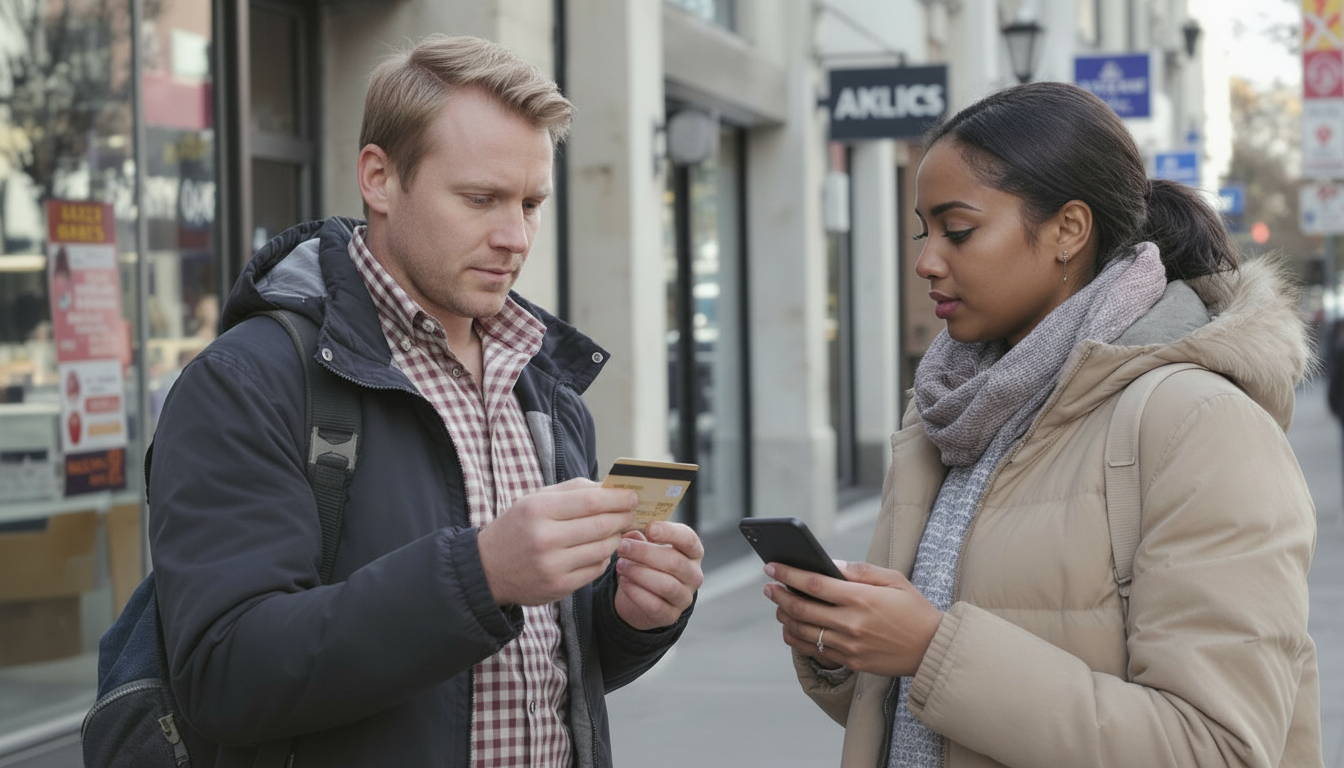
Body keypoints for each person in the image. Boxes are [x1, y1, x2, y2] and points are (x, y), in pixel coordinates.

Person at [148, 34, 704, 768]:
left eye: (531, 203)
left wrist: (634, 617)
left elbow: (549, 671)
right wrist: (481, 575)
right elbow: (224, 676)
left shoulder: (544, 385)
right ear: (379, 179)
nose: (515, 237)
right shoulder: (248, 381)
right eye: (480, 199)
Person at [764, 81, 1322, 767]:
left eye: (958, 230)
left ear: (1068, 230)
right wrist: (844, 642)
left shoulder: (1199, 423)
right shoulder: (948, 411)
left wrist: (932, 647)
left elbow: (1217, 748)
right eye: (923, 231)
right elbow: (916, 716)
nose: (926, 261)